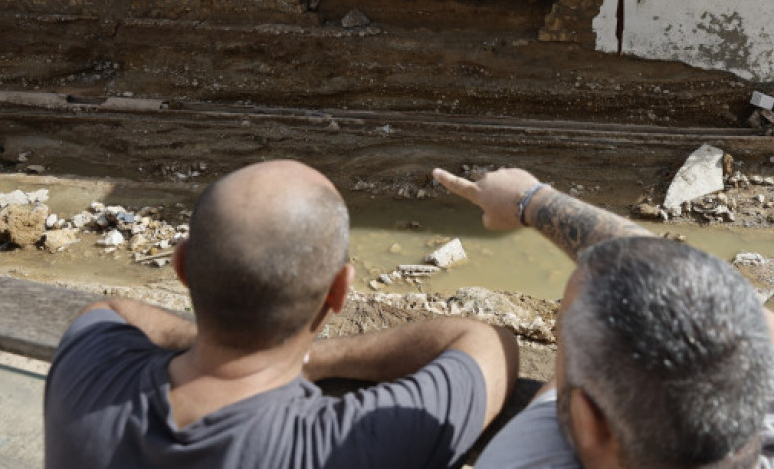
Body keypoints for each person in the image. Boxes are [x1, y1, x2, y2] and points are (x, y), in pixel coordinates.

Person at [44, 160, 518, 469]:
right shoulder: (346, 445)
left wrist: (243, 348)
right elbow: (491, 344)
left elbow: (111, 309)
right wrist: (310, 359)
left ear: (183, 266)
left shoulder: (86, 369)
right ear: (339, 291)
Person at [433, 166, 774, 469]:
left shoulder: (525, 459)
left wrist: (527, 201)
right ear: (762, 385)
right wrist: (532, 199)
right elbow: (705, 286)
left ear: (590, 424)